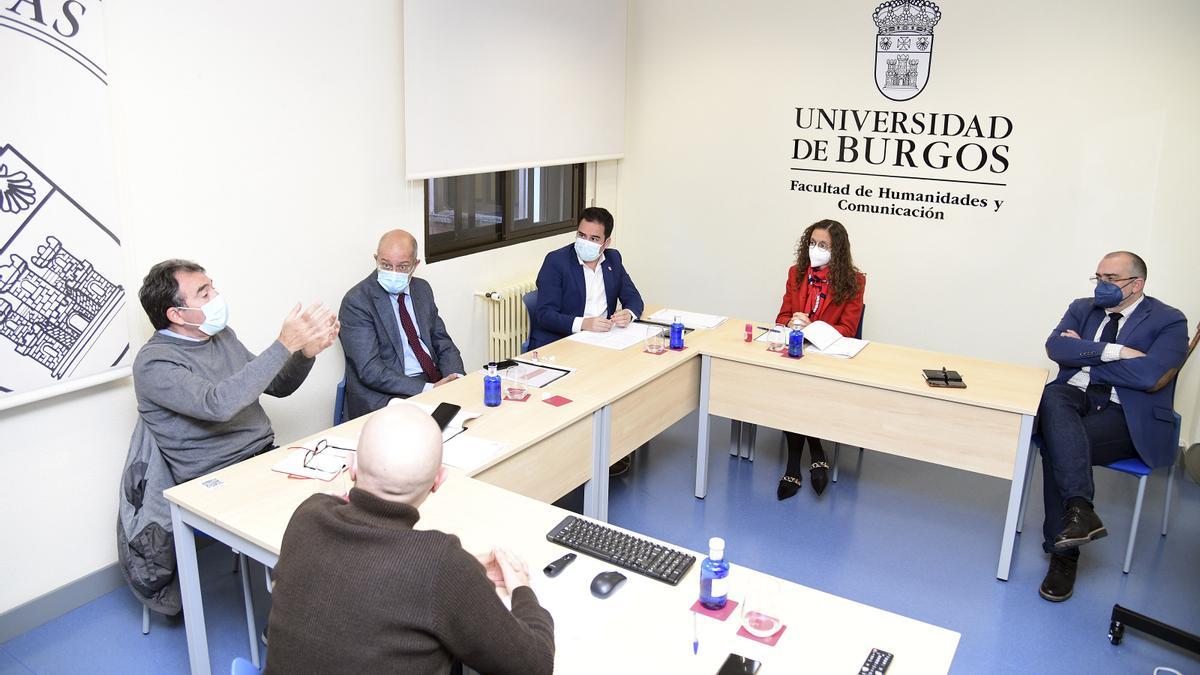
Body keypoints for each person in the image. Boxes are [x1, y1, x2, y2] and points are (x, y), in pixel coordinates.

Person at [263, 403, 555, 675]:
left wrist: (467, 570)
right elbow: (534, 666)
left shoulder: (308, 514)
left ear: (351, 466)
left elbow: (369, 570)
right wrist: (522, 591)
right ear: (438, 481)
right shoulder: (441, 566)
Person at [1036, 251, 1188, 602]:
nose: (1102, 286)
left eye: (1111, 279)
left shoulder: (1169, 320)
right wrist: (1117, 352)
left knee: (1058, 443)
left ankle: (1063, 555)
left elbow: (1151, 375)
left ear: (1137, 284)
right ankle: (1080, 513)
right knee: (1053, 397)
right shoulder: (1082, 306)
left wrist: (1085, 354)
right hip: (1073, 396)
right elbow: (1055, 348)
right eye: (1098, 278)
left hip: (1125, 414)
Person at [132, 259, 338, 483]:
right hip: (215, 477)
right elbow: (217, 405)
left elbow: (278, 385)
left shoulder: (222, 336)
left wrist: (305, 354)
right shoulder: (153, 363)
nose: (216, 296)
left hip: (263, 455)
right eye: (204, 294)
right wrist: (283, 345)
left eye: (212, 287)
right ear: (177, 315)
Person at [773, 219, 865, 499]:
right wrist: (793, 322)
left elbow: (848, 330)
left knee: (802, 391)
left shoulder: (854, 281)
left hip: (829, 358)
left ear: (837, 250)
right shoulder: (796, 273)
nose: (816, 249)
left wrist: (811, 324)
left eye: (823, 245)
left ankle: (800, 462)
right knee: (792, 387)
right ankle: (811, 455)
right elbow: (781, 317)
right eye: (813, 243)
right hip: (798, 353)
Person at [339, 229, 465, 419]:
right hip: (388, 392)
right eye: (386, 265)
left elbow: (442, 343)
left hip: (433, 379)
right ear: (376, 259)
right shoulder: (357, 301)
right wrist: (428, 389)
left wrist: (456, 379)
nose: (394, 272)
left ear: (415, 265)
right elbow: (371, 370)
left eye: (402, 266)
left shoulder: (422, 289)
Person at [528, 206, 644, 350]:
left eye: (594, 238)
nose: (586, 242)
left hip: (603, 339)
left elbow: (634, 298)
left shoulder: (613, 259)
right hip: (562, 341)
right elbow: (545, 315)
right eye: (582, 236)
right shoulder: (556, 261)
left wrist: (628, 314)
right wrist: (583, 324)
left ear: (606, 243)